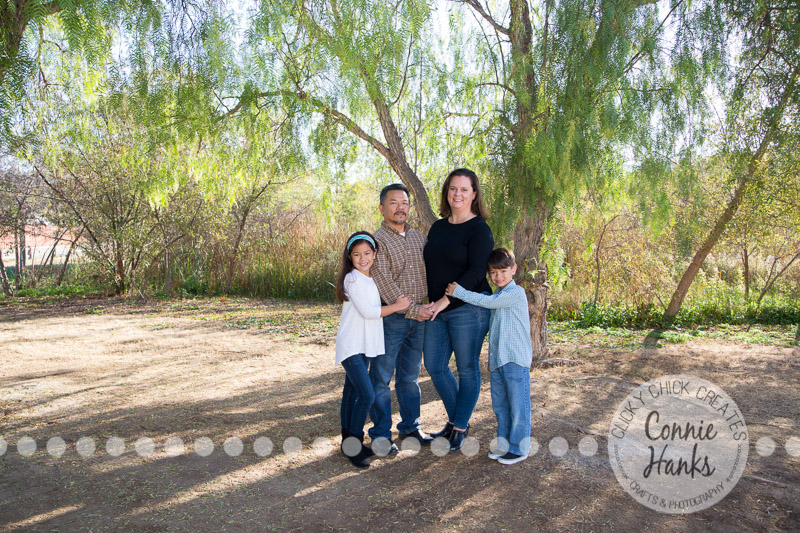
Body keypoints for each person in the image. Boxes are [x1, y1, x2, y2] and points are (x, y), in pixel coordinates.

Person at [423, 168, 494, 451]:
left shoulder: (479, 229)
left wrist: (444, 300)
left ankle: (460, 428)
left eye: (464, 189)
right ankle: (456, 421)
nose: (458, 194)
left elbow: (477, 271)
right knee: (435, 366)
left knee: (466, 369)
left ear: (474, 194)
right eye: (453, 188)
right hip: (437, 310)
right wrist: (430, 301)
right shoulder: (438, 227)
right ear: (446, 192)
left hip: (470, 309)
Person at [446, 248, 533, 465]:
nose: (498, 276)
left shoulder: (516, 293)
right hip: (498, 361)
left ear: (513, 269)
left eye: (503, 271)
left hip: (515, 360)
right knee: (501, 407)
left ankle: (518, 448)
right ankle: (504, 446)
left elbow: (488, 303)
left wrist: (459, 292)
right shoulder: (498, 294)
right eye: (493, 273)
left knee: (518, 406)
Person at [335, 231, 411, 468]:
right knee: (366, 394)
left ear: (375, 254)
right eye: (357, 254)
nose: (363, 258)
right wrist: (398, 306)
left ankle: (348, 440)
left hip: (363, 345)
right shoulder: (353, 278)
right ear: (350, 256)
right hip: (351, 345)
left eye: (367, 253)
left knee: (352, 393)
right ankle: (354, 446)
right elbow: (369, 312)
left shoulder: (370, 279)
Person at [368, 184, 435, 452]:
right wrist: (411, 310)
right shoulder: (376, 241)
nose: (401, 207)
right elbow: (382, 280)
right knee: (381, 378)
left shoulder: (420, 238)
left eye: (405, 202)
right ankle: (381, 435)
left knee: (409, 378)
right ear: (382, 208)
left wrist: (429, 307)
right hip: (392, 320)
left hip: (419, 320)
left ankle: (410, 427)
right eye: (394, 202)